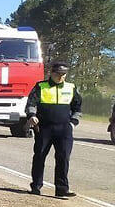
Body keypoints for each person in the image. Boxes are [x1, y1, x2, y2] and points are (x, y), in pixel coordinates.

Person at [26, 62, 82, 198]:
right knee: (40, 156)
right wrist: (32, 116)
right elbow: (31, 103)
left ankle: (62, 189)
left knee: (63, 158)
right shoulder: (41, 86)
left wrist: (73, 123)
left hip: (64, 129)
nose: (61, 77)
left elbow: (78, 107)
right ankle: (36, 186)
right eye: (58, 74)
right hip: (44, 128)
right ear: (52, 73)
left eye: (64, 74)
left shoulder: (71, 87)